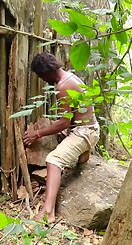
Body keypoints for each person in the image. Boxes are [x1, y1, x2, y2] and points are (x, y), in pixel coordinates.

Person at [23, 52, 100, 223]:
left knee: (53, 160)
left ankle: (48, 212)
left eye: (41, 76)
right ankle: (82, 153)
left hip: (85, 132)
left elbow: (65, 123)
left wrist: (37, 134)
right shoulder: (68, 76)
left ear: (46, 72)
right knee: (59, 136)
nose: (42, 80)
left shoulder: (63, 87)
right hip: (87, 127)